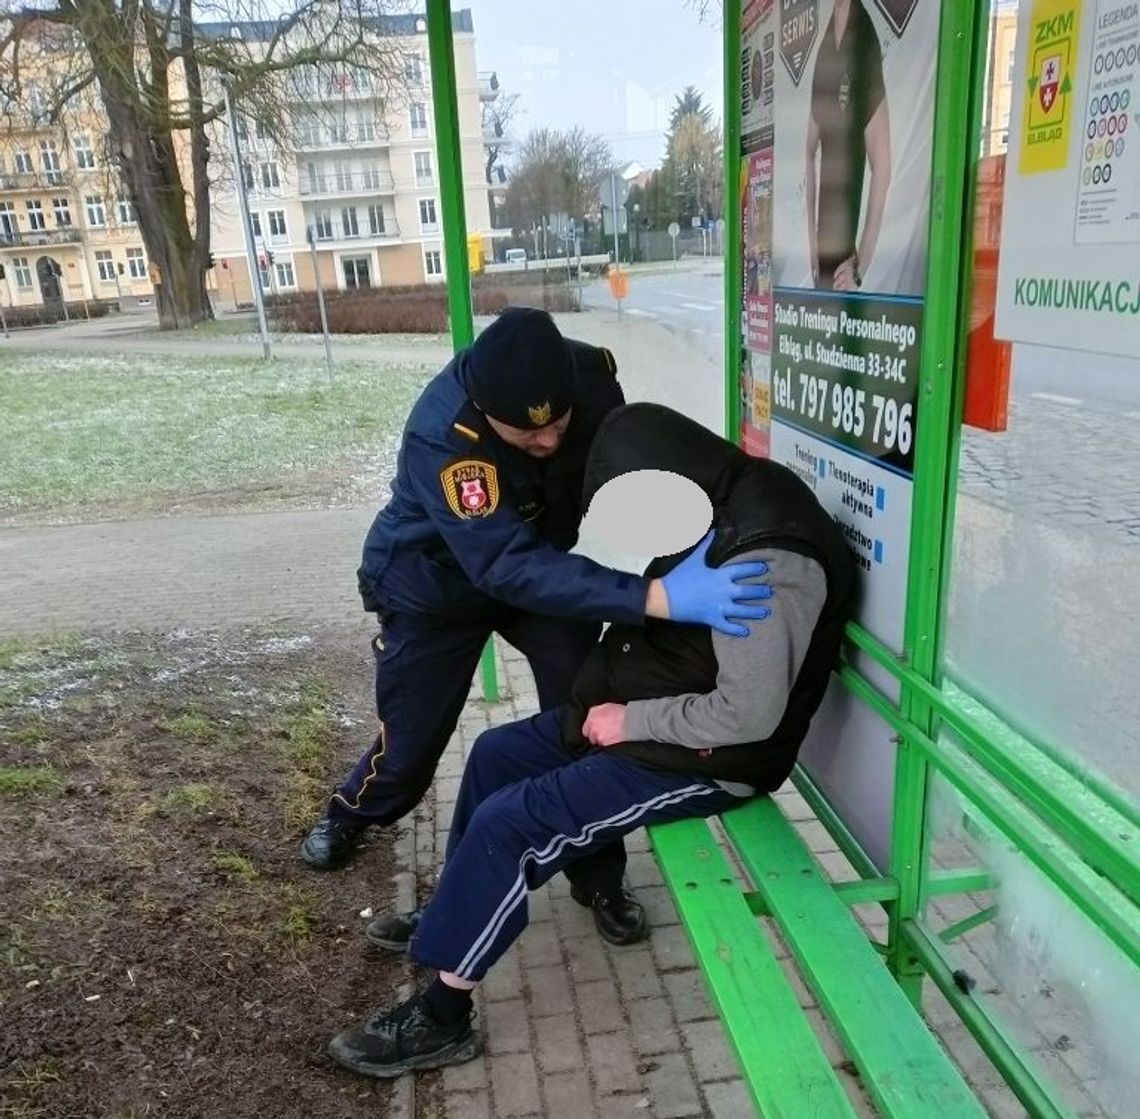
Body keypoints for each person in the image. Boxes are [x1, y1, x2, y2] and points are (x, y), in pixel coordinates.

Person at [327, 402, 856, 1080]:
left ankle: (442, 1017)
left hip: (708, 758)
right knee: (493, 754)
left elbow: (745, 717)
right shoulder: (729, 493)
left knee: (511, 822)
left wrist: (626, 722)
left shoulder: (772, 561)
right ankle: (457, 901)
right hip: (654, 718)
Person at [301, 308, 773, 940]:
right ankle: (352, 812)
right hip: (434, 586)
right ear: (485, 409)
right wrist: (652, 596)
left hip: (537, 571)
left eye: (558, 424)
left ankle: (598, 875)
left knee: (587, 707)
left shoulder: (590, 378)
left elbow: (629, 469)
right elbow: (499, 563)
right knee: (412, 743)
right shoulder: (445, 435)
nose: (550, 441)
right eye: (527, 434)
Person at [805, 0, 891, 291]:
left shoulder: (865, 40)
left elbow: (883, 168)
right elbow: (808, 148)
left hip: (844, 264)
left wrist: (861, 266)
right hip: (823, 254)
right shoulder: (826, 46)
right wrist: (811, 239)